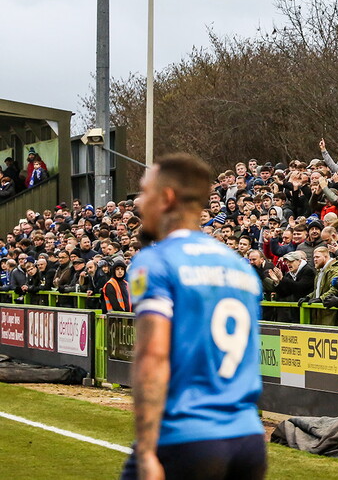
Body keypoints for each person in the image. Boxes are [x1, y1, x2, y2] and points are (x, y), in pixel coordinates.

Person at [124, 154, 266, 480]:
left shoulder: (155, 261)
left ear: (167, 198)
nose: (139, 203)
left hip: (186, 437)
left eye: (144, 193)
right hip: (248, 439)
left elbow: (153, 356)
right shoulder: (239, 266)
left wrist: (146, 450)